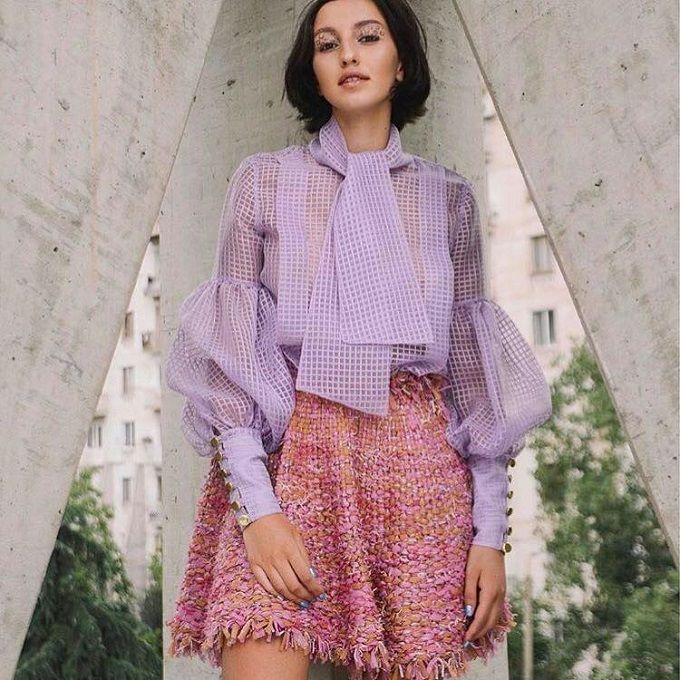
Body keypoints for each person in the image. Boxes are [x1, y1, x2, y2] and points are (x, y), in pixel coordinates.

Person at [164, 0, 552, 678]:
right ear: (313, 71)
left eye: (368, 38)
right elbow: (232, 364)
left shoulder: (449, 199)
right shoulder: (264, 181)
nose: (348, 54)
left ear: (400, 63)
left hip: (418, 475)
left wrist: (490, 534)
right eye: (328, 44)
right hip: (291, 465)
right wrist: (258, 512)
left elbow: (473, 383)